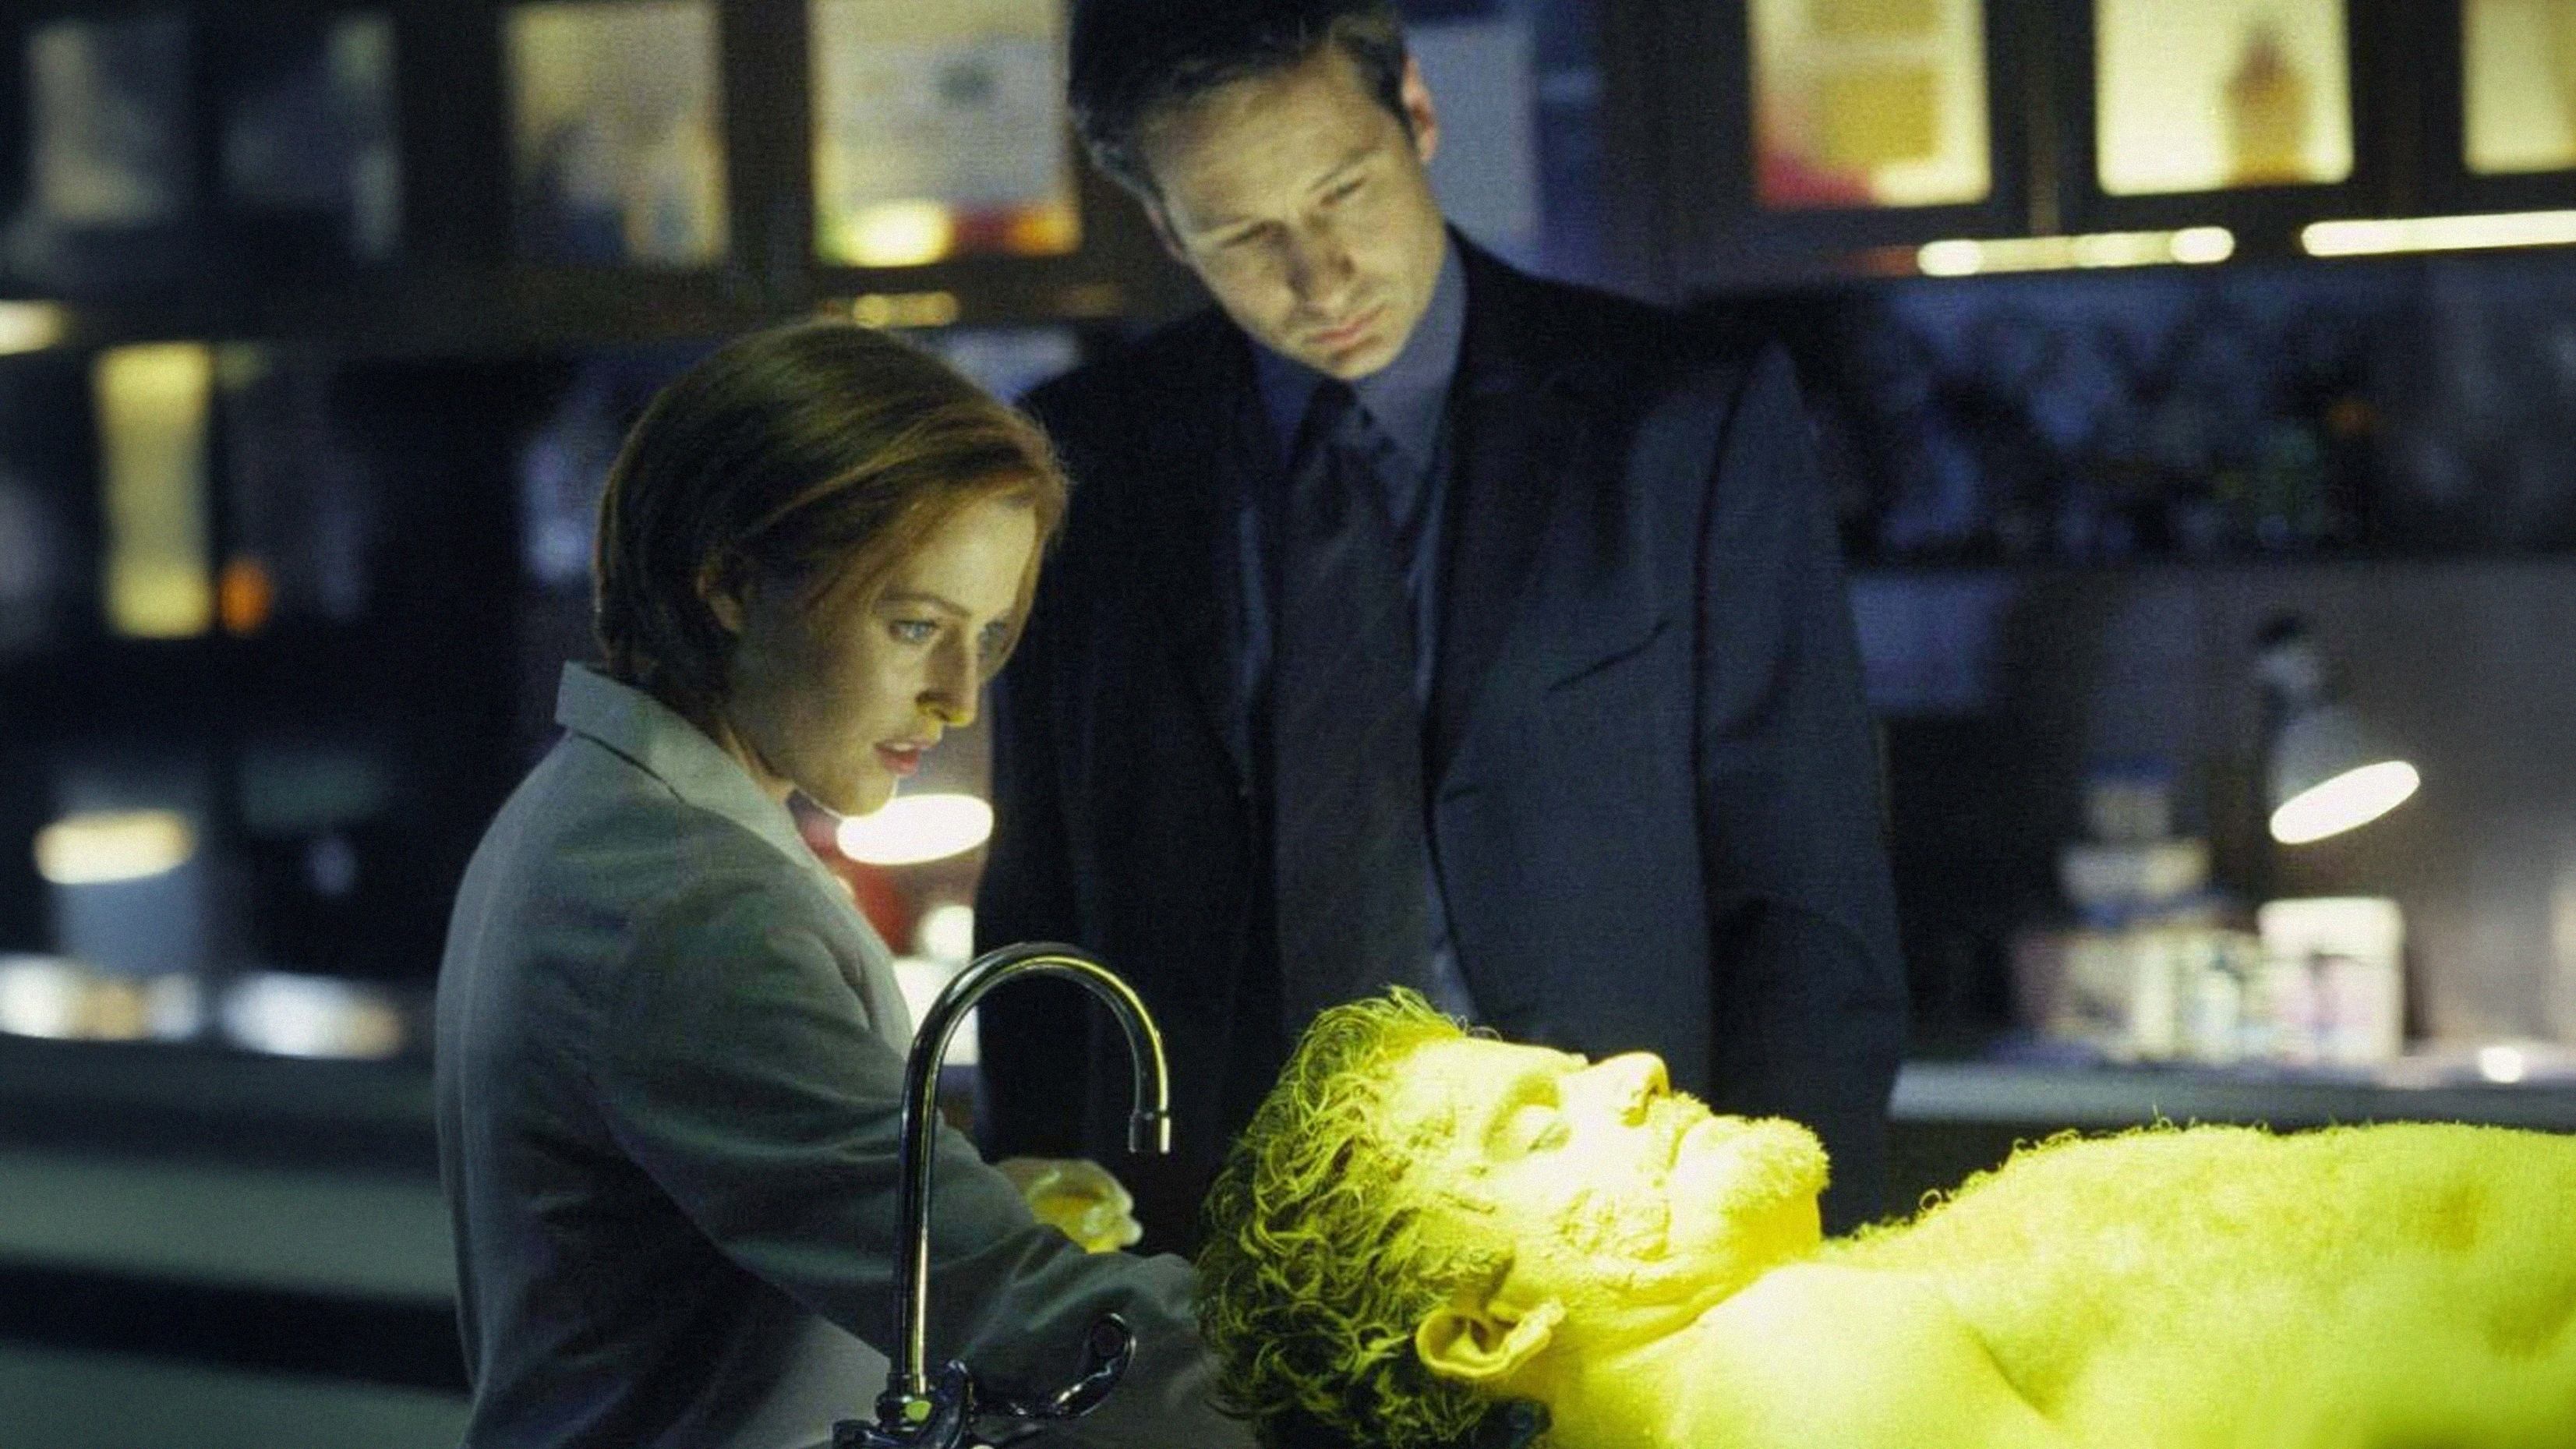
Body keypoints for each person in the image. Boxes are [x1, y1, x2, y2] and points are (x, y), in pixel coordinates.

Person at [974, 0, 1906, 1250]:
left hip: (1612, 1230)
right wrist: (1035, 1274)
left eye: (1344, 193)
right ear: (1164, 227)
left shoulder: (1678, 420)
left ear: (1414, 110)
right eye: (1243, 234)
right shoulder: (1081, 460)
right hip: (1205, 1253)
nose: (1321, 279)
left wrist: (1785, 1259)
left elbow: (1808, 892)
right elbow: (1037, 916)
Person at [433, 321, 1253, 1449]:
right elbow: (998, 1299)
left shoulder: (598, 807)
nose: (958, 696)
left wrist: (971, 1201)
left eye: (986, 636)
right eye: (914, 626)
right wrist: (1354, 1395)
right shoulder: (689, 907)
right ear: (731, 584)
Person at [1196, 989, 2576, 1449]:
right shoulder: (1782, 1366)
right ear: (1489, 1328)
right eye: (1541, 1129)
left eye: (1572, 1069)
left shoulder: (1798, 1332)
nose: (1635, 1071)